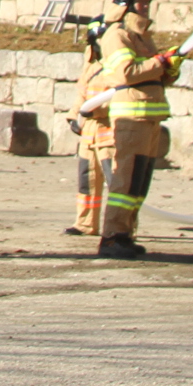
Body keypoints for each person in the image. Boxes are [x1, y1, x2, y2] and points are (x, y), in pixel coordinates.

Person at [82, 0, 181, 261]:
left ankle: (125, 235)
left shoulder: (141, 37)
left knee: (139, 183)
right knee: (125, 182)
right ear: (126, 5)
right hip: (131, 117)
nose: (145, 8)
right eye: (141, 3)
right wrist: (159, 62)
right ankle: (112, 237)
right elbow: (125, 73)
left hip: (149, 116)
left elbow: (151, 77)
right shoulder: (117, 35)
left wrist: (170, 69)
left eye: (148, 3)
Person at [67, 16, 108, 238]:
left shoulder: (121, 65)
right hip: (89, 134)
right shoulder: (92, 65)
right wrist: (73, 116)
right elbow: (82, 93)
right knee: (87, 181)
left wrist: (96, 110)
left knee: (119, 186)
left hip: (111, 135)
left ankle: (121, 229)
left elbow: (124, 96)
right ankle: (85, 223)